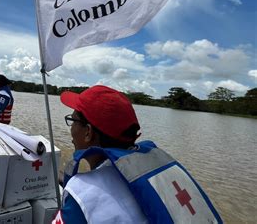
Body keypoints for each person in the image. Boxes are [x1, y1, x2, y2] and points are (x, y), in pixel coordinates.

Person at [54, 85, 222, 223]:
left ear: (88, 133)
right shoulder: (162, 178)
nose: (71, 128)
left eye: (73, 120)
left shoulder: (83, 194)